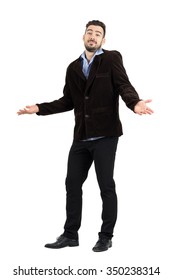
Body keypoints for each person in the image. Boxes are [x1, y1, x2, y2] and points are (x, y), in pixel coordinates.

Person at [17, 20, 153, 252]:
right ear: (83, 36)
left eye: (98, 34)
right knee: (72, 184)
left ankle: (106, 236)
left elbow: (123, 85)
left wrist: (134, 103)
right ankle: (70, 235)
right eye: (89, 32)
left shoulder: (111, 58)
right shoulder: (72, 67)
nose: (93, 36)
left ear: (103, 40)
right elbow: (68, 101)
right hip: (81, 137)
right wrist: (39, 108)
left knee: (105, 185)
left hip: (106, 135)